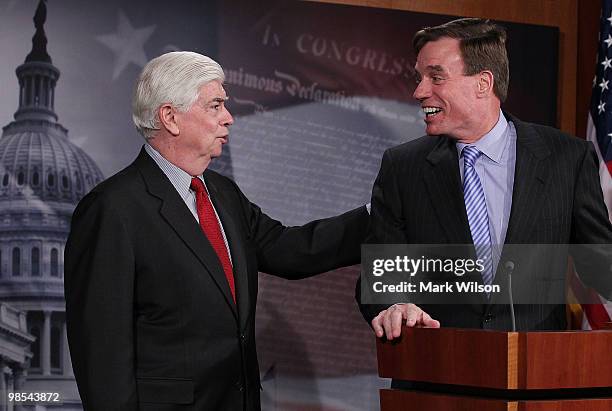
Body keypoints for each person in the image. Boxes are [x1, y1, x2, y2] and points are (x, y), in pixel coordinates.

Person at [64, 51, 369, 411]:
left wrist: (378, 213)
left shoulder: (223, 193)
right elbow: (103, 356)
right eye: (215, 105)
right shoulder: (111, 209)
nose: (229, 118)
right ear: (170, 117)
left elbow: (291, 250)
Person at [357, 18, 612, 339]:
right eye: (419, 77)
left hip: (535, 373)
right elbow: (381, 276)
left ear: (483, 83)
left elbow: (601, 266)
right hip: (437, 373)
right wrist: (394, 305)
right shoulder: (403, 166)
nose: (419, 91)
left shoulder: (566, 158)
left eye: (435, 76)